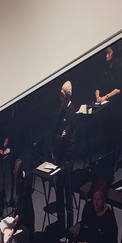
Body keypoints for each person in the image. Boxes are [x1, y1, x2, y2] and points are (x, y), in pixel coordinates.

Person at [52, 81, 76, 231]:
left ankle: (69, 230)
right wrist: (58, 137)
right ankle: (61, 227)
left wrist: (59, 137)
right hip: (59, 159)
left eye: (61, 94)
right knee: (58, 194)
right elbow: (54, 133)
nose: (59, 97)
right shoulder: (61, 111)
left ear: (67, 95)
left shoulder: (71, 111)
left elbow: (64, 137)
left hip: (67, 160)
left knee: (67, 196)